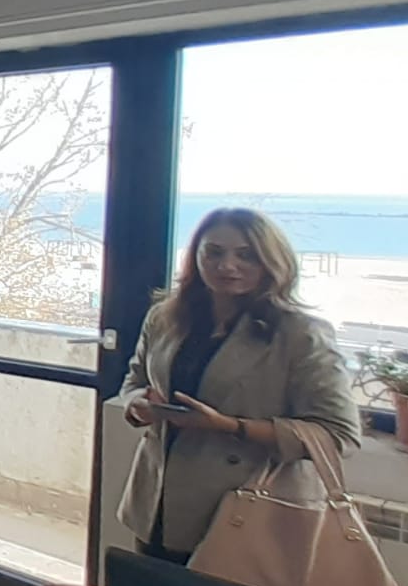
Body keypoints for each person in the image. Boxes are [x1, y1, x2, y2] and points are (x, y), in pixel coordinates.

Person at [119, 208, 360, 565]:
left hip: (244, 509)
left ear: (271, 261)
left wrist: (228, 426)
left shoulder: (300, 333)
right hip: (157, 504)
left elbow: (339, 434)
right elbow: (135, 380)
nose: (227, 266)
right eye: (213, 252)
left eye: (246, 255)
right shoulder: (166, 317)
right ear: (196, 256)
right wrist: (138, 404)